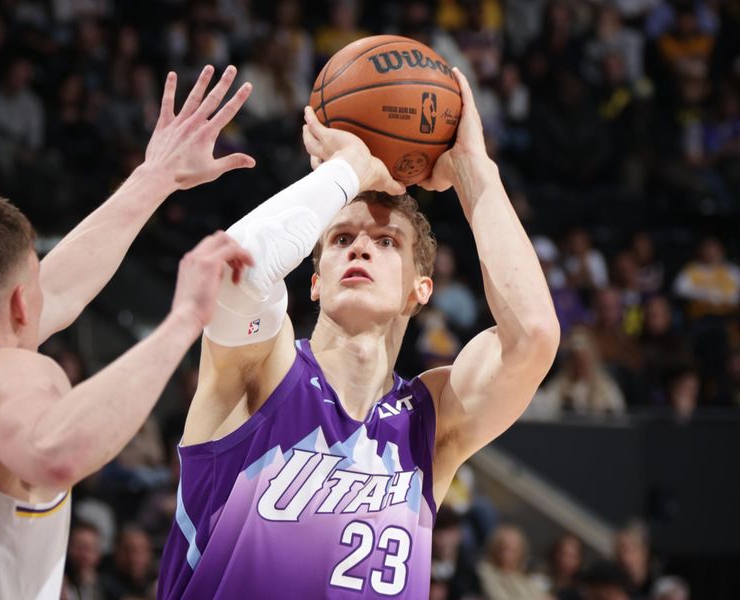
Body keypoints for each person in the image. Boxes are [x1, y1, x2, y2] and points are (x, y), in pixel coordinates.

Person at [158, 67, 559, 598]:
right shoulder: (264, 373)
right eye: (342, 237)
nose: (362, 247)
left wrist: (473, 169)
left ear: (421, 288)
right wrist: (351, 169)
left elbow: (533, 335)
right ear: (316, 280)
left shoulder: (428, 423)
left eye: (387, 242)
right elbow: (240, 272)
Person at [0, 64, 255, 599]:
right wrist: (183, 320)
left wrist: (156, 176)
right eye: (34, 283)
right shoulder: (8, 372)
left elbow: (60, 287)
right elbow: (53, 453)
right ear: (20, 304)